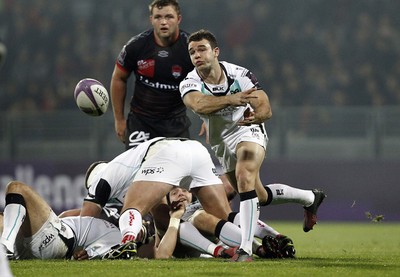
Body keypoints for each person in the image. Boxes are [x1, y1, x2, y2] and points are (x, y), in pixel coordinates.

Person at [179, 29, 326, 261]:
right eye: (192, 52)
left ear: (215, 52)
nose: (196, 55)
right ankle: (309, 198)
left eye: (202, 49)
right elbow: (198, 105)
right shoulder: (189, 82)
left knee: (244, 174)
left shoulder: (239, 74)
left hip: (247, 129)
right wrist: (232, 99)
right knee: (257, 194)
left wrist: (260, 115)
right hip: (221, 141)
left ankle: (245, 249)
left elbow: (264, 104)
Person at [111, 0, 193, 149]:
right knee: (137, 171)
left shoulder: (191, 48)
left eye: (169, 17)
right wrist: (119, 119)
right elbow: (118, 78)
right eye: (158, 17)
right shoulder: (136, 46)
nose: (163, 22)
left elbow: (208, 81)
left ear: (179, 19)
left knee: (179, 172)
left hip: (176, 124)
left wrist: (210, 119)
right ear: (151, 20)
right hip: (141, 122)